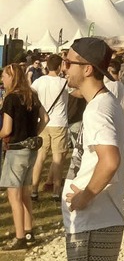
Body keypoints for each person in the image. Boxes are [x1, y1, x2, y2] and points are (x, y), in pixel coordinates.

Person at [61, 37, 124, 261]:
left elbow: (110, 159)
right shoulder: (102, 103)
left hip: (95, 222)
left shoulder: (99, 107)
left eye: (69, 62)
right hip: (94, 222)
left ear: (87, 68)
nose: (64, 68)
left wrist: (86, 195)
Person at [0, 63, 49, 249]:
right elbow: (45, 118)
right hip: (30, 150)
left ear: (12, 77)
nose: (2, 79)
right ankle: (29, 232)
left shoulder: (11, 99)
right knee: (25, 193)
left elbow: (6, 129)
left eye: (5, 75)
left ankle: (19, 237)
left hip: (15, 150)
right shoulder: (31, 95)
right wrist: (34, 134)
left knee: (14, 195)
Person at [30, 53, 69, 201]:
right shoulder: (64, 83)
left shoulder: (40, 81)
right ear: (60, 67)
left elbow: (31, 92)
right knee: (58, 158)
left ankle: (34, 190)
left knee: (40, 157)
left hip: (43, 122)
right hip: (59, 123)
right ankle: (56, 191)